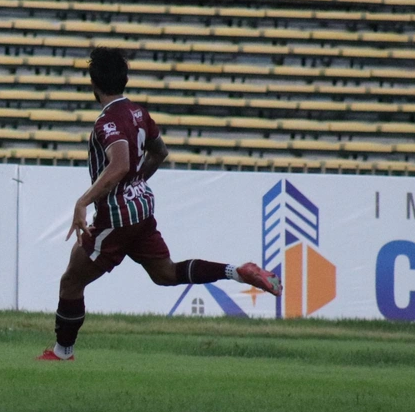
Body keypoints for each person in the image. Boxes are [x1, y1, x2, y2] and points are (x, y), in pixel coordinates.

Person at [38, 48, 281, 361]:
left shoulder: (107, 122)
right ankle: (236, 271)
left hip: (116, 217)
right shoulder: (138, 113)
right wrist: (137, 182)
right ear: (124, 80)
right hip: (140, 209)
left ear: (93, 85)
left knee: (71, 281)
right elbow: (160, 152)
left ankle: (62, 352)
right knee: (164, 274)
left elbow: (120, 164)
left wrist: (82, 201)